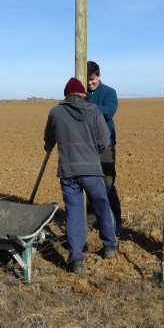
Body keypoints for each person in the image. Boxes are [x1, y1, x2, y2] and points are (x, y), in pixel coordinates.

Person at [44, 77, 119, 273]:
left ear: (66, 95)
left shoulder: (55, 112)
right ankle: (110, 245)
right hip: (92, 170)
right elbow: (104, 140)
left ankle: (76, 259)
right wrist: (93, 152)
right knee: (102, 205)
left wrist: (50, 144)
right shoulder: (93, 111)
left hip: (68, 173)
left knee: (74, 212)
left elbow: (48, 140)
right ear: (82, 94)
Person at [85, 60, 122, 231]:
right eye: (87, 80)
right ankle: (91, 221)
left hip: (106, 146)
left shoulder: (109, 92)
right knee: (90, 183)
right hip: (87, 146)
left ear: (99, 76)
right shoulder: (82, 93)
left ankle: (116, 221)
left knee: (107, 184)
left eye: (93, 79)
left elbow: (108, 112)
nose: (90, 83)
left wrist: (88, 105)